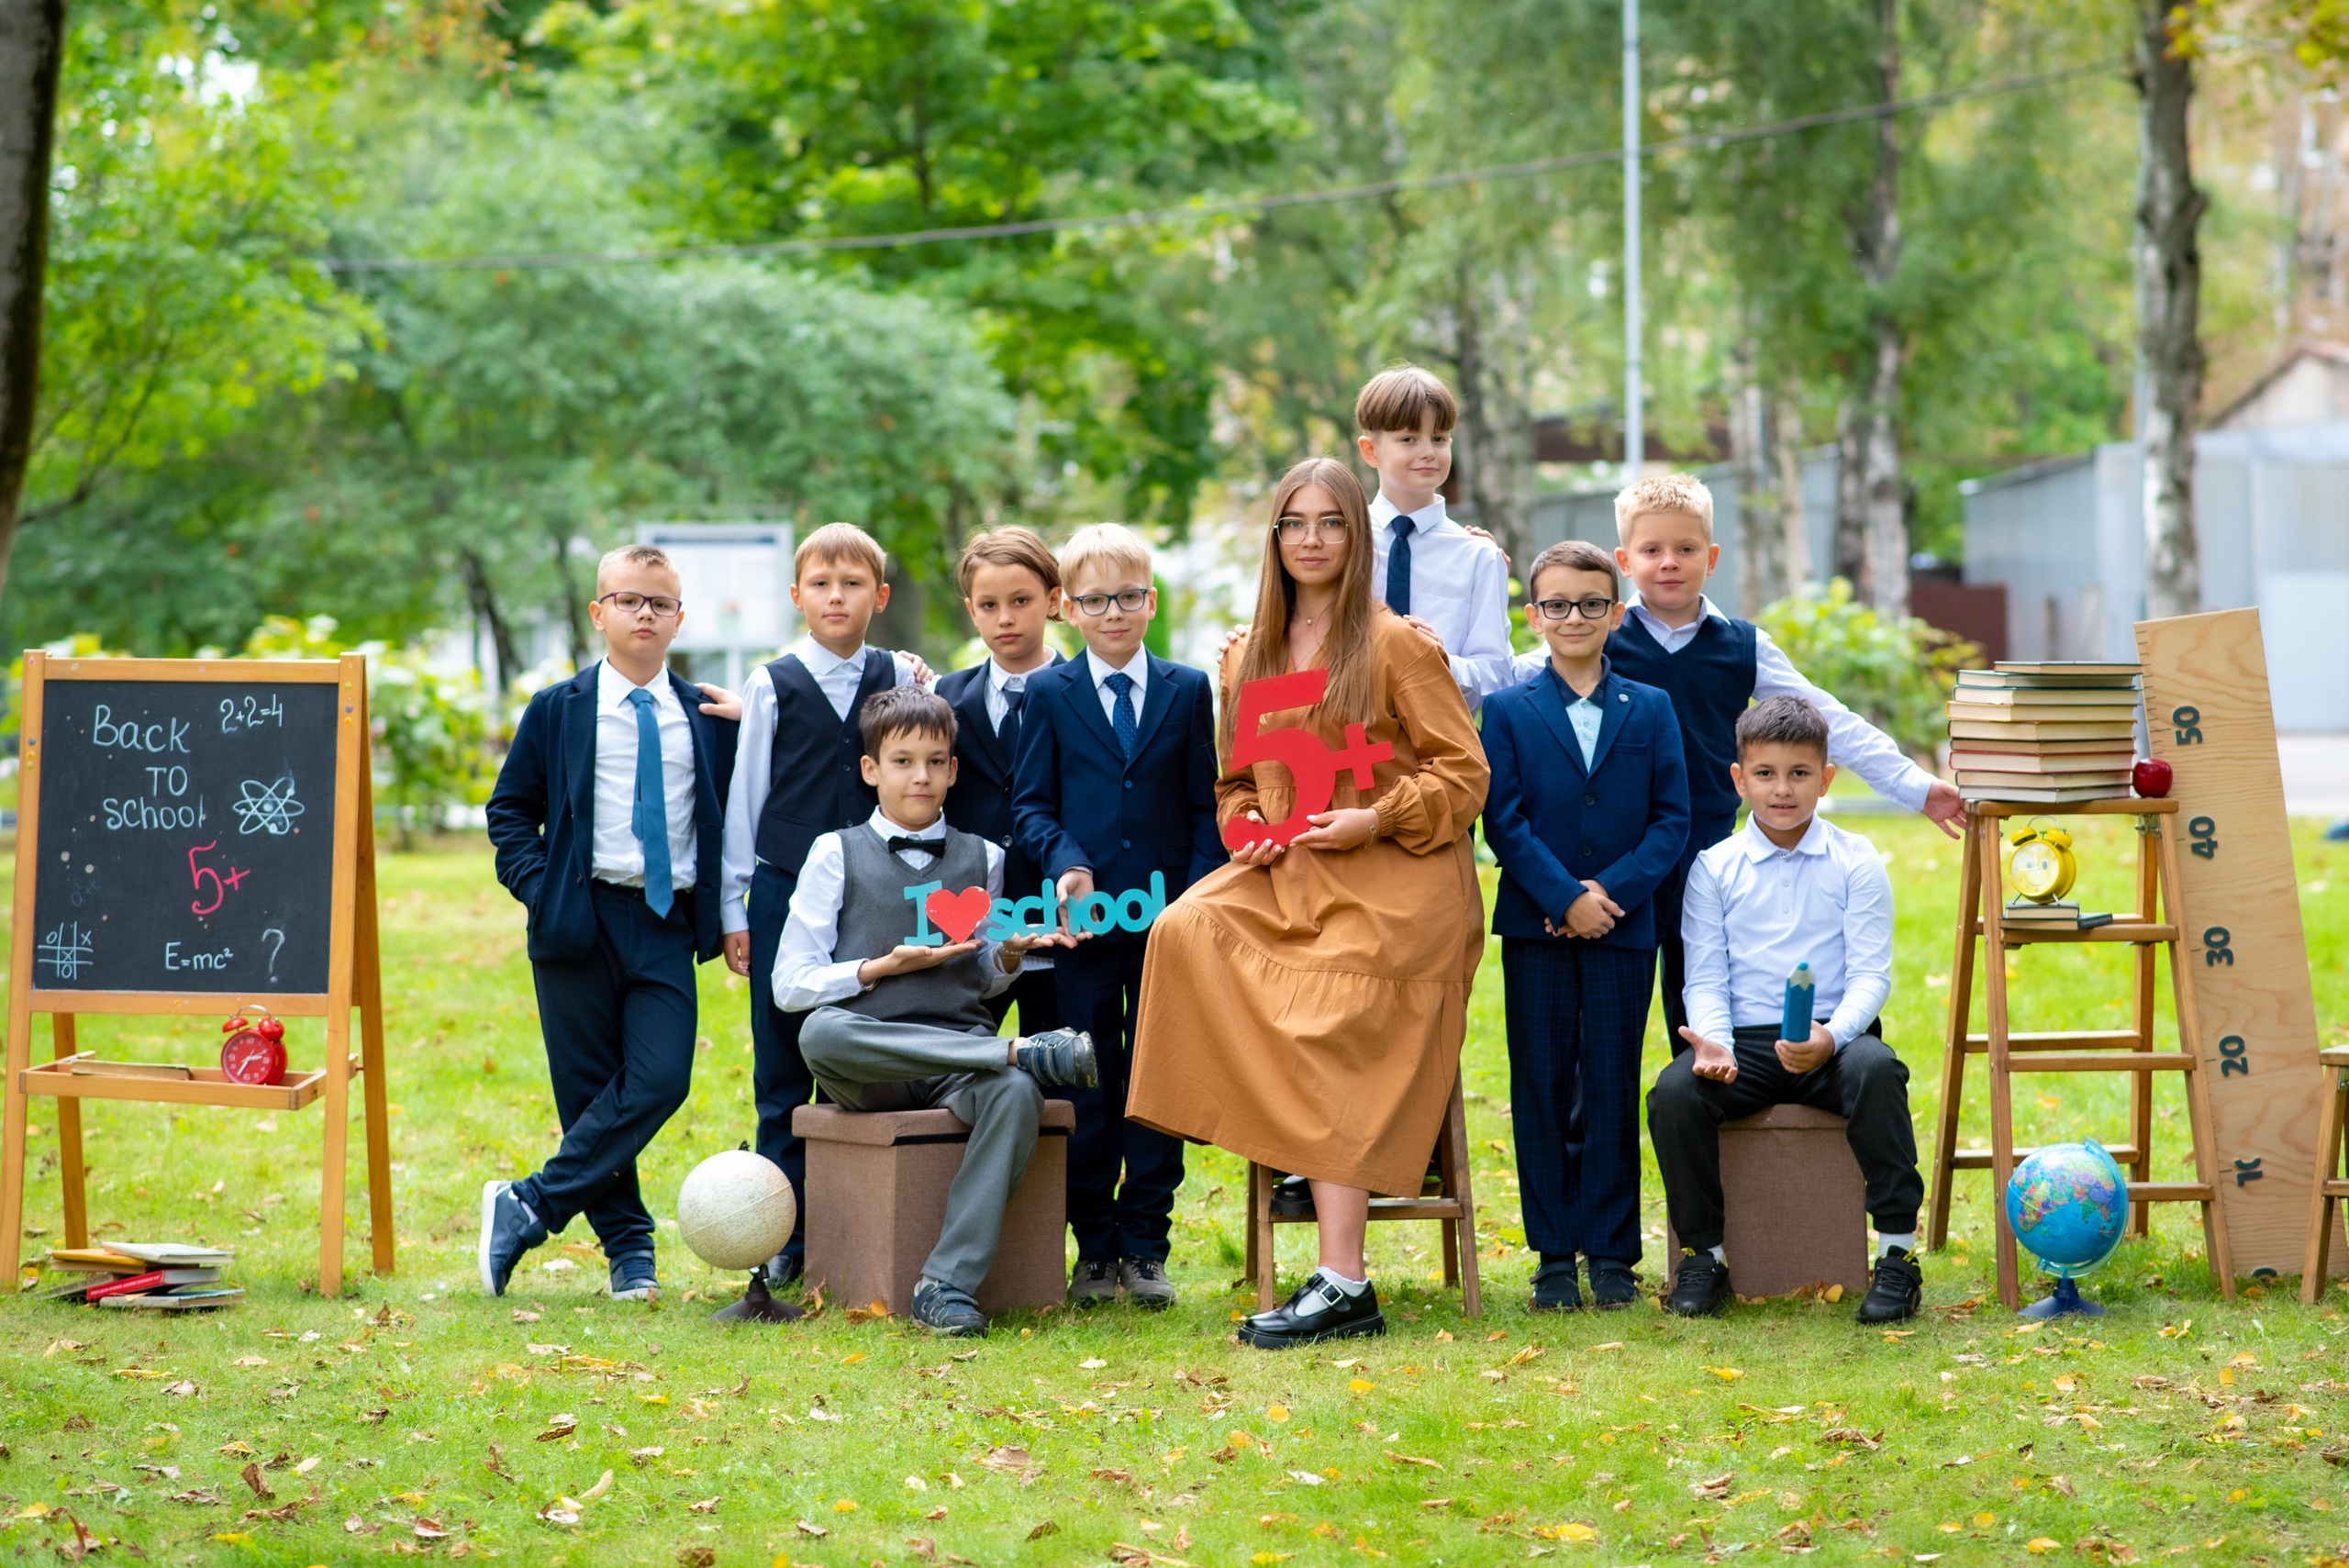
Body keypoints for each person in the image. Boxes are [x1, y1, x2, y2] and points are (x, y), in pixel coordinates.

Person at [1128, 456, 1490, 1350]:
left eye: (1331, 521)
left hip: (1396, 882)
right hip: (1293, 870)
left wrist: (1373, 817)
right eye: (1296, 522)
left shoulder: (1397, 643)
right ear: (1275, 538)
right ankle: (1298, 1137)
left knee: (1327, 1000)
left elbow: (1463, 774)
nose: (1313, 538)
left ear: (1355, 535)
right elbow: (1238, 782)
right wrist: (1247, 824)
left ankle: (1344, 1280)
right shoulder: (1249, 655)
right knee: (1181, 926)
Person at [1511, 473, 1965, 1043]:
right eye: (1652, 550)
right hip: (1613, 857)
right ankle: (1595, 1130)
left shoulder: (1742, 645)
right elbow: (1506, 680)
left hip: (1705, 849)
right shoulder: (1600, 632)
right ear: (1625, 560)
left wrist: (1917, 788)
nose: (1669, 562)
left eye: (1686, 549)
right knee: (1602, 1019)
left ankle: (1702, 1107)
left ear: (1712, 557)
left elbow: (1827, 719)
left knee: (1699, 995)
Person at [776, 686, 1092, 1336]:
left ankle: (946, 1284)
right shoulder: (833, 853)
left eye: (935, 761)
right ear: (872, 769)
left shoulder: (987, 858)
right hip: (870, 1058)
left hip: (957, 1057)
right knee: (820, 1030)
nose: (920, 775)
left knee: (1015, 1093)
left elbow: (979, 982)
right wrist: (878, 969)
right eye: (902, 760)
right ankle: (1012, 1050)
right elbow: (791, 982)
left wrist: (1004, 955)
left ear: (953, 769)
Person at [480, 543, 742, 1301]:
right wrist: (543, 889)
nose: (645, 614)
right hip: (578, 917)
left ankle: (528, 1202)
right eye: (628, 600)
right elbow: (509, 813)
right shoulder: (558, 710)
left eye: (660, 603)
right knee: (590, 1091)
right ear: (599, 613)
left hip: (662, 917)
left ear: (680, 618)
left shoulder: (707, 716)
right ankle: (630, 1250)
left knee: (661, 1077)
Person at [1646, 695, 1923, 1324]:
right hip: (1743, 1041)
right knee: (1672, 1095)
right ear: (1739, 779)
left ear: (1826, 779)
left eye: (1800, 773)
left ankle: (1898, 1254)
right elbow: (1707, 974)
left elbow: (1871, 973)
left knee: (1878, 1071)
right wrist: (1712, 1043)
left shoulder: (1856, 860)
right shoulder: (1714, 869)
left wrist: (1833, 1037)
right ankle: (1704, 1255)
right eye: (1765, 774)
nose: (1782, 789)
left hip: (1834, 1038)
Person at [1010, 523, 1222, 1310]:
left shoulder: (1188, 688)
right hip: (1084, 923)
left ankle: (1146, 1243)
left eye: (1128, 598)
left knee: (1157, 1077)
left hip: (1168, 922)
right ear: (1067, 607)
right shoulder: (1049, 694)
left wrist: (1196, 898)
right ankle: (1093, 1246)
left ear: (1150, 600)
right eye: (1094, 600)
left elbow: (1206, 806)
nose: (1113, 613)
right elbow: (1030, 804)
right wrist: (1065, 859)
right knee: (1090, 1076)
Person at [1480, 540, 1689, 1312]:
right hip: (1536, 928)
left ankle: (1610, 1252)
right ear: (1533, 616)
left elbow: (1674, 819)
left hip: (1624, 930)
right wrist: (1563, 895)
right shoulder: (1504, 711)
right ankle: (1552, 1256)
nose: (1575, 617)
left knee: (1609, 1082)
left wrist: (1613, 894)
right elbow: (1502, 819)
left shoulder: (1652, 708)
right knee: (1539, 1084)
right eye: (1558, 604)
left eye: (1591, 604)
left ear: (1617, 613)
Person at [719, 522, 929, 1287]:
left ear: (878, 596)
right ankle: (783, 1234)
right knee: (781, 1068)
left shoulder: (900, 675)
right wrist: (734, 910)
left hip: (869, 894)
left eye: (851, 584)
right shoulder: (772, 683)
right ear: (797, 595)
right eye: (820, 584)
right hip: (781, 891)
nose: (835, 597)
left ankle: (862, 1227)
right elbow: (745, 799)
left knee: (865, 1056)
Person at [935, 528, 1066, 1036]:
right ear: (972, 610)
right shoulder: (945, 696)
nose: (1005, 618)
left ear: (1054, 600)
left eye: (1020, 601)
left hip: (1055, 913)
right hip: (971, 920)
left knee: (1061, 1062)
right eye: (988, 605)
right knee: (962, 1062)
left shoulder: (1081, 691)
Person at [1353, 365, 1517, 712]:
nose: (1428, 451)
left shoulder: (1478, 556)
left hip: (1438, 747)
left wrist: (1442, 660)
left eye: (1439, 438)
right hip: (1348, 740)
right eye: (1409, 439)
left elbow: (1499, 677)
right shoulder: (1344, 541)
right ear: (1371, 451)